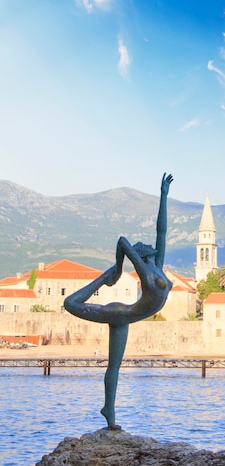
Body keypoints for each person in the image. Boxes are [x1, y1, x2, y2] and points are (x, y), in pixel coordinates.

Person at [64, 173, 173, 430]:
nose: (150, 243)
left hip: (125, 316)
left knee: (115, 366)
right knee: (70, 304)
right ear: (141, 254)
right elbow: (123, 242)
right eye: (145, 246)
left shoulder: (157, 266)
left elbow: (162, 230)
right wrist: (117, 267)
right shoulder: (146, 273)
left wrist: (163, 195)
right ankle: (104, 279)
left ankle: (109, 412)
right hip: (118, 314)